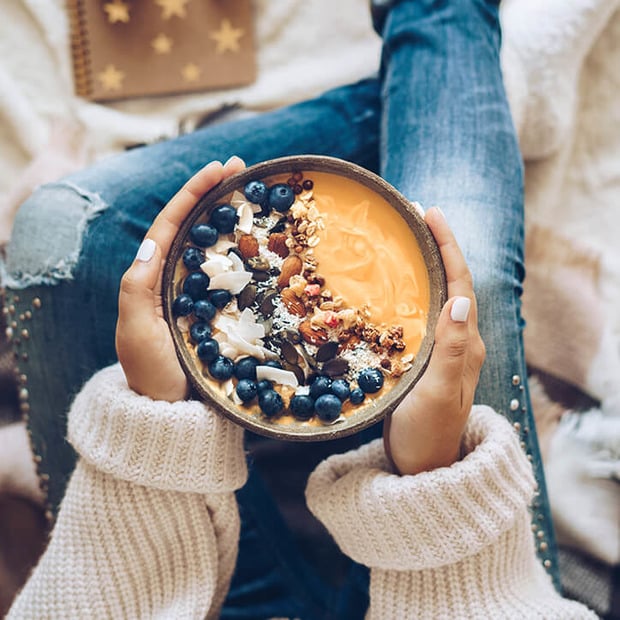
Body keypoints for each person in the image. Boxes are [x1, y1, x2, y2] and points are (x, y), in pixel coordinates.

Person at [2, 0, 562, 616]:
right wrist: (433, 469)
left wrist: (155, 420)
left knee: (58, 227)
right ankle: (445, 43)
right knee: (466, 282)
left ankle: (439, 81)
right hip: (448, 579)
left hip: (187, 593)